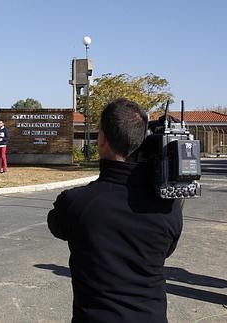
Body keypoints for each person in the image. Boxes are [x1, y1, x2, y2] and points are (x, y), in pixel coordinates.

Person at [47, 99, 183, 322]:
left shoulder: (76, 203)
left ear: (102, 139)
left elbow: (56, 225)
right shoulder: (169, 206)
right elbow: (166, 250)